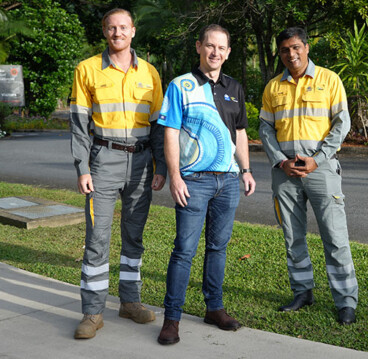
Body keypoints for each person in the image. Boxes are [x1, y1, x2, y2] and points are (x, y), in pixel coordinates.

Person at [156, 24, 256, 345]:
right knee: (184, 250)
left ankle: (214, 308)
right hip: (193, 181)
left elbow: (239, 132)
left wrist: (246, 170)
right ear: (199, 47)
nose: (215, 52)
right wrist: (174, 176)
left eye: (221, 48)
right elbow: (169, 132)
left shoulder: (234, 87)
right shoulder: (180, 86)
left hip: (227, 181)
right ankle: (172, 318)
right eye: (209, 46)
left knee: (218, 247)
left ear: (228, 53)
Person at [70, 8, 166, 339]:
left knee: (134, 236)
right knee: (97, 238)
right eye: (112, 28)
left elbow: (157, 126)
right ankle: (92, 312)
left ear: (133, 31)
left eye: (123, 27)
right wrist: (82, 167)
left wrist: (161, 165)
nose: (117, 33)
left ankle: (130, 302)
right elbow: (79, 125)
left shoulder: (150, 72)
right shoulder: (87, 70)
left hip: (141, 164)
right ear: (104, 32)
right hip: (103, 160)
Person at [259, 27, 358, 325]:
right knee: (293, 237)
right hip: (285, 173)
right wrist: (280, 161)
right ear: (280, 53)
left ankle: (346, 301)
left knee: (335, 237)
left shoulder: (329, 80)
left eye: (296, 47)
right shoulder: (273, 87)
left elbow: (342, 124)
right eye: (285, 49)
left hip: (321, 170)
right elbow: (265, 129)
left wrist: (316, 160)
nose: (292, 54)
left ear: (306, 47)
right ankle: (302, 291)